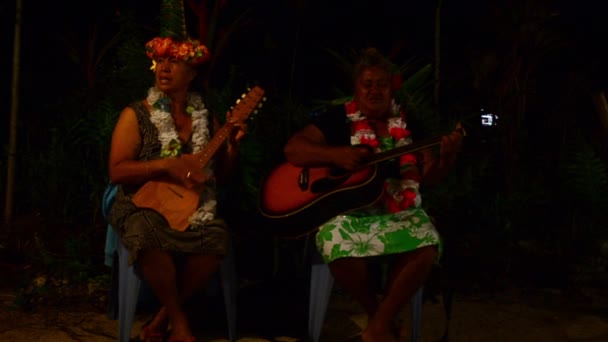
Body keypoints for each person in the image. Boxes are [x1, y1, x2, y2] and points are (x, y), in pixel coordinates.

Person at [283, 47, 463, 342]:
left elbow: (429, 174)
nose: (375, 90)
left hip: (399, 210)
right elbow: (294, 149)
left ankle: (377, 327)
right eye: (368, 84)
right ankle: (381, 319)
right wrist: (337, 154)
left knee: (427, 242)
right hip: (350, 212)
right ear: (356, 88)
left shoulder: (409, 123)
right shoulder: (336, 118)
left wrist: (447, 159)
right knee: (333, 237)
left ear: (391, 89)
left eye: (381, 84)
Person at [106, 33, 246, 341]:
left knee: (216, 237)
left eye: (175, 62)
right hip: (139, 202)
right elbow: (117, 171)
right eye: (161, 61)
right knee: (147, 232)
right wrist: (167, 164)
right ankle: (181, 324)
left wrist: (232, 149)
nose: (164, 68)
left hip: (190, 204)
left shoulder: (203, 117)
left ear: (192, 74)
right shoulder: (136, 114)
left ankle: (162, 318)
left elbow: (217, 177)